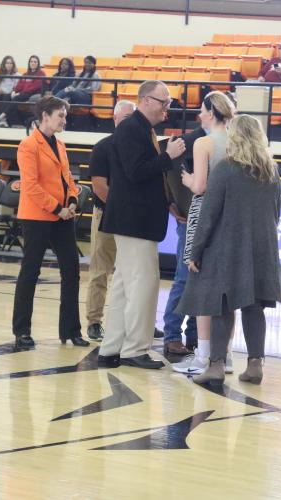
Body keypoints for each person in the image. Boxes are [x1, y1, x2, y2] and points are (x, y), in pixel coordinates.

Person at [176, 115, 281, 386]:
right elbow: (276, 213)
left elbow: (209, 214)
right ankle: (256, 363)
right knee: (254, 305)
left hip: (228, 245)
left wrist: (196, 250)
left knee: (222, 305)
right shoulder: (271, 170)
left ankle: (215, 366)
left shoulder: (225, 168)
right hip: (262, 247)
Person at [97, 80, 186, 369]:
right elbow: (136, 172)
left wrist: (168, 201)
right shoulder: (131, 129)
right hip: (134, 221)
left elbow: (143, 177)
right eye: (164, 102)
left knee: (125, 284)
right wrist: (167, 157)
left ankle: (111, 349)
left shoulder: (141, 129)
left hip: (134, 219)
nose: (167, 109)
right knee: (143, 284)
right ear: (146, 100)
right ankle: (134, 349)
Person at [12, 96, 89, 350]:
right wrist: (58, 208)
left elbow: (67, 178)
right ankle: (22, 331)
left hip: (63, 217)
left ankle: (71, 330)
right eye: (60, 116)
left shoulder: (61, 145)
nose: (64, 120)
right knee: (30, 273)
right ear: (45, 116)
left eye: (65, 116)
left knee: (71, 272)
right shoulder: (28, 146)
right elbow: (31, 187)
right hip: (37, 217)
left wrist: (74, 200)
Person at [171, 91, 235, 374]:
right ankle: (226, 356)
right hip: (232, 215)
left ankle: (204, 356)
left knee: (199, 282)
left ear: (211, 112)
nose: (199, 114)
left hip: (204, 212)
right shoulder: (238, 141)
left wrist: (185, 178)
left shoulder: (203, 142)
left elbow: (200, 186)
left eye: (201, 110)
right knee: (227, 290)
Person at [85, 100, 136, 342]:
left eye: (133, 117)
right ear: (115, 119)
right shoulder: (102, 147)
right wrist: (123, 209)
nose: (129, 122)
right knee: (100, 271)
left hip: (132, 220)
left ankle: (131, 321)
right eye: (125, 117)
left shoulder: (141, 147)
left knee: (133, 273)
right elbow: (99, 187)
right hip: (106, 215)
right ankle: (94, 322)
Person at [162, 127, 207, 357]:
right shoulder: (187, 141)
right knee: (184, 278)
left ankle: (193, 335)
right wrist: (171, 202)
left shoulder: (224, 141)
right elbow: (166, 167)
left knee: (201, 280)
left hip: (211, 222)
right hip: (189, 220)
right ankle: (171, 335)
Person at [0, 55, 46, 128]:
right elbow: (19, 85)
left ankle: (1, 117)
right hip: (23, 94)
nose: (33, 63)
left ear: (38, 63)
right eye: (31, 61)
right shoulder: (25, 74)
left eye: (35, 62)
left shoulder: (41, 74)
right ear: (29, 63)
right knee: (9, 96)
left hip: (33, 94)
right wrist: (14, 91)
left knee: (16, 98)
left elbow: (35, 87)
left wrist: (20, 93)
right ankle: (7, 121)